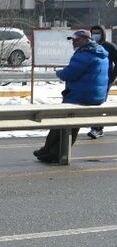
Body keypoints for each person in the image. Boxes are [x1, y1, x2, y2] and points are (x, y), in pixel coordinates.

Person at [36, 29, 110, 164]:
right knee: (68, 122)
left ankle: (53, 153)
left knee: (63, 121)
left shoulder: (85, 54)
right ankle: (47, 151)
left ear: (85, 40)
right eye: (73, 40)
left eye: (76, 39)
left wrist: (59, 73)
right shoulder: (101, 53)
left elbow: (69, 74)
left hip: (81, 97)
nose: (73, 42)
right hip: (95, 97)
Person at [86, 25, 117, 139]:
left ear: (103, 34)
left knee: (98, 104)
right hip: (90, 81)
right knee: (90, 105)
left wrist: (112, 76)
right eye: (93, 32)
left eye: (98, 33)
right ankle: (94, 127)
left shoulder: (110, 47)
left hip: (104, 81)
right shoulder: (89, 46)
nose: (95, 35)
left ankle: (97, 128)